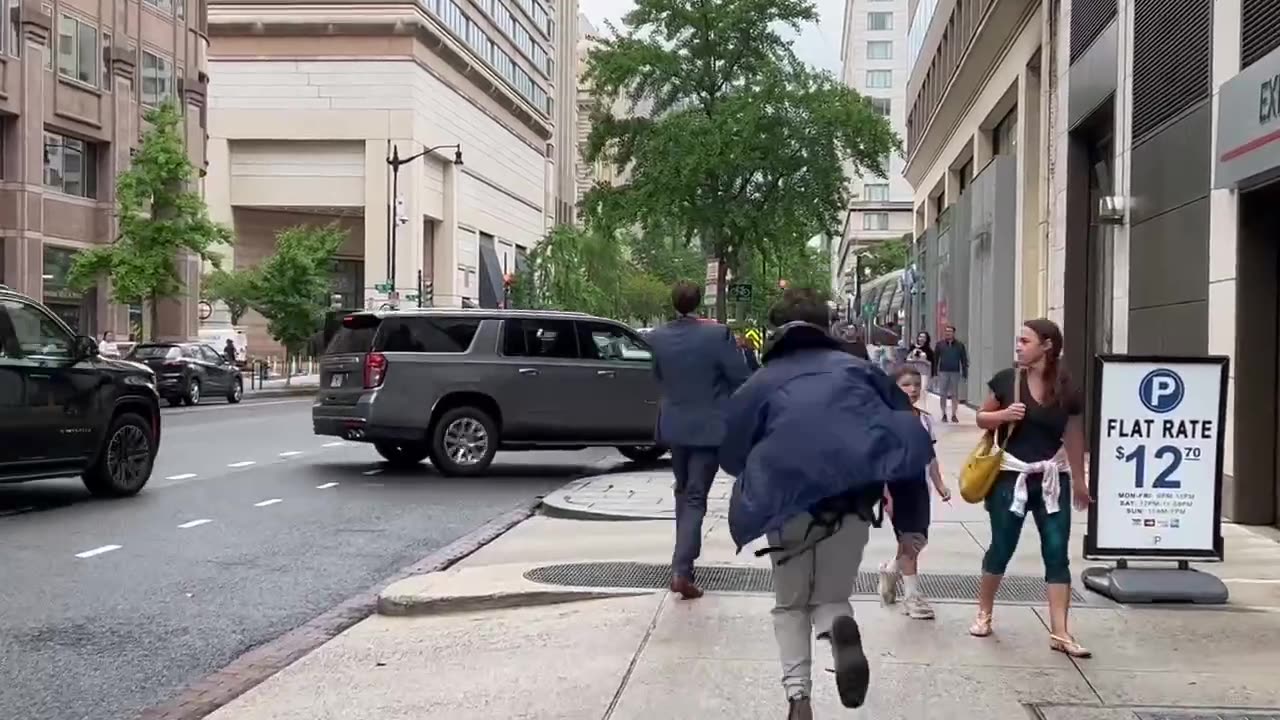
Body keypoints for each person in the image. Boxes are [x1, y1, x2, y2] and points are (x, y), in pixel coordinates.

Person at [719, 288, 935, 720]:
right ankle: (837, 632)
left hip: (786, 504)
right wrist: (904, 509)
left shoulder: (763, 380)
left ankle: (799, 698)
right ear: (827, 326)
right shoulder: (862, 371)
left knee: (790, 603)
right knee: (833, 597)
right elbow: (902, 431)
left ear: (776, 331)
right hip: (851, 502)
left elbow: (730, 452)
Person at [970, 318, 1091, 657]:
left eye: (1025, 340)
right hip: (1011, 476)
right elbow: (981, 417)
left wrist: (1080, 480)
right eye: (1019, 340)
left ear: (1047, 345)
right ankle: (984, 612)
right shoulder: (1007, 381)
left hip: (1053, 478)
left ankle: (1061, 632)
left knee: (1056, 553)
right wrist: (1003, 415)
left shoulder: (1066, 386)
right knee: (1002, 546)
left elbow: (1074, 435)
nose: (1019, 346)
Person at [645, 281, 751, 599]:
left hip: (674, 425)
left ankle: (683, 565)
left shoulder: (658, 337)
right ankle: (681, 569)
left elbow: (658, 376)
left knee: (683, 491)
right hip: (709, 427)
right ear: (699, 303)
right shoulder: (716, 334)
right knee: (694, 496)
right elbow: (740, 377)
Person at [878, 366, 951, 619]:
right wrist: (884, 493)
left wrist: (940, 484)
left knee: (919, 539)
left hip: (920, 486)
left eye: (917, 385)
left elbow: (930, 457)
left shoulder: (924, 419)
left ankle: (891, 569)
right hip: (897, 486)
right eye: (906, 385)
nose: (913, 389)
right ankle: (912, 598)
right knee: (909, 539)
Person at [934, 325, 968, 422]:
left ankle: (954, 414)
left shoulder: (960, 345)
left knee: (954, 394)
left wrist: (965, 373)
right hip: (943, 371)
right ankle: (944, 413)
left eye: (950, 331)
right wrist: (934, 373)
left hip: (955, 372)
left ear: (954, 333)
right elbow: (936, 359)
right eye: (946, 331)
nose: (948, 333)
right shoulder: (940, 345)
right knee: (943, 393)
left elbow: (964, 360)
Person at [905, 331, 934, 408]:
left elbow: (931, 363)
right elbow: (907, 359)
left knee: (923, 390)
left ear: (926, 339)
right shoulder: (913, 347)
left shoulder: (928, 350)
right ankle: (911, 407)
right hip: (913, 372)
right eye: (920, 336)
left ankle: (922, 408)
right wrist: (915, 359)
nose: (921, 339)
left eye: (924, 337)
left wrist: (924, 360)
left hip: (924, 373)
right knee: (912, 390)